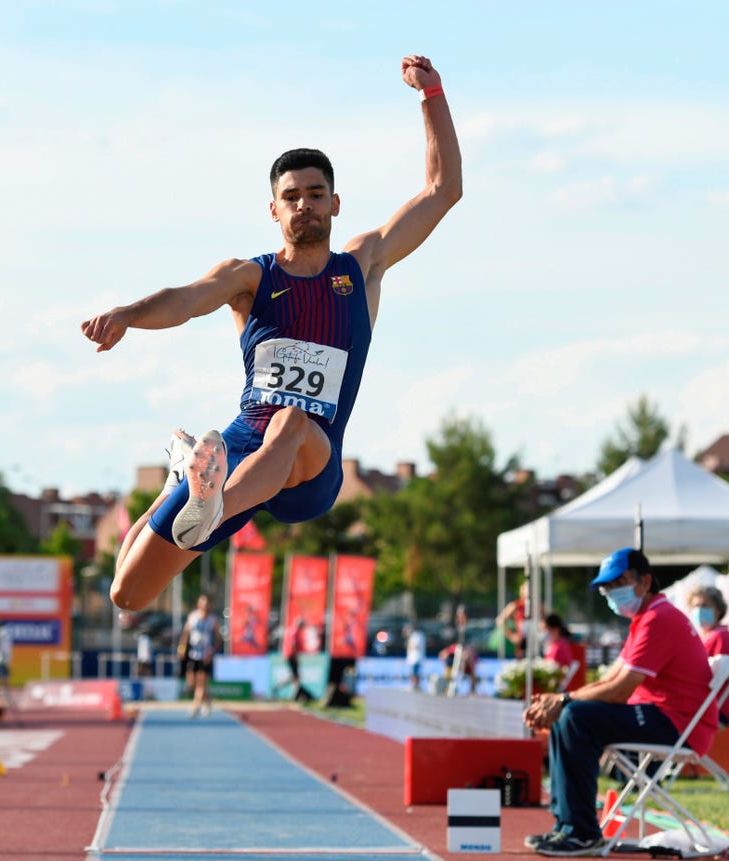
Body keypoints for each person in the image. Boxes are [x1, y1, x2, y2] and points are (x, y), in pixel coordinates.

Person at [81, 55, 461, 612]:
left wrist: (432, 96)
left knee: (290, 419)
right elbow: (186, 301)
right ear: (274, 210)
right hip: (237, 449)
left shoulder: (362, 265)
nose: (304, 204)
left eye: (315, 193)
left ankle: (210, 506)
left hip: (310, 459)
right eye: (292, 197)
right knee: (128, 592)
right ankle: (181, 487)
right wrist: (127, 314)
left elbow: (442, 189)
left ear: (335, 203)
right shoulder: (249, 277)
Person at [522, 548, 717, 857]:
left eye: (620, 582)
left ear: (645, 582)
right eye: (607, 586)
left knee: (575, 717)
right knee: (568, 714)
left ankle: (581, 832)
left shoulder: (659, 618)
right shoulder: (646, 619)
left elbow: (619, 691)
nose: (612, 591)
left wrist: (563, 699)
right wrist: (557, 701)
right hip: (665, 717)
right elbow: (608, 682)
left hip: (678, 726)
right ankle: (566, 826)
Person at [686, 584, 729, 725]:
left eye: (704, 605)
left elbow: (712, 676)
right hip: (707, 705)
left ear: (718, 610)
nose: (698, 610)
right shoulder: (708, 636)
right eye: (695, 606)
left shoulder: (721, 637)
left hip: (714, 707)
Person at [178, 594, 221, 717]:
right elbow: (186, 633)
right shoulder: (193, 617)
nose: (205, 605)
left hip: (205, 655)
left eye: (207, 603)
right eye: (202, 602)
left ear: (210, 605)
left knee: (201, 684)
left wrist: (211, 652)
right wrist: (182, 648)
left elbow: (218, 640)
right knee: (192, 683)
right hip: (193, 653)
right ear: (198, 604)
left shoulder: (213, 620)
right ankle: (208, 700)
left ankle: (195, 707)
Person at [494, 579, 529, 657]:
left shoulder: (539, 606)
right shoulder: (515, 605)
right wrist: (511, 635)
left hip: (537, 643)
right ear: (522, 591)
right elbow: (500, 620)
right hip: (522, 643)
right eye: (527, 589)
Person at [404, 622, 427, 690]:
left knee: (415, 672)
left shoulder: (418, 635)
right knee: (413, 672)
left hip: (416, 657)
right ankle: (413, 684)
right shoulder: (414, 635)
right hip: (412, 657)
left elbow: (416, 646)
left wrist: (410, 645)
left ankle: (416, 684)